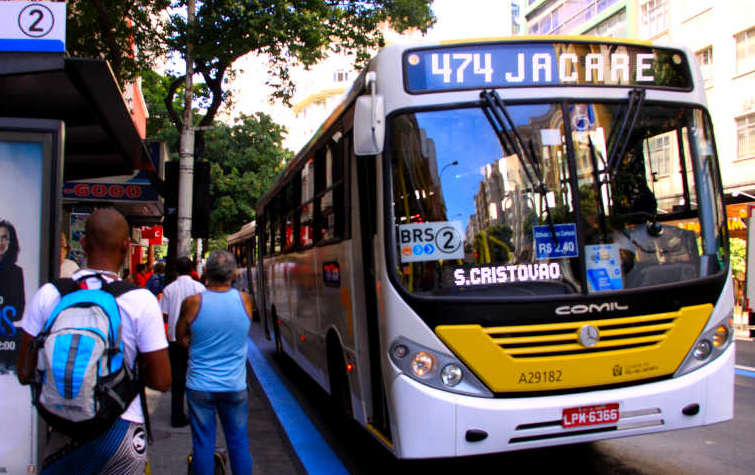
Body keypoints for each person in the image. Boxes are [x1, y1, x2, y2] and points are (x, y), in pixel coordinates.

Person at [16, 208, 171, 474]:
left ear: (84, 244)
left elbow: (23, 372)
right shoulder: (140, 300)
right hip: (121, 433)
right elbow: (162, 381)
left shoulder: (50, 294)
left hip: (63, 430)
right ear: (126, 246)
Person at [177, 250, 253, 475]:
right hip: (234, 385)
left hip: (200, 386)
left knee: (203, 444)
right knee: (238, 442)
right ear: (234, 274)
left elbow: (179, 336)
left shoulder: (192, 302)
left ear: (206, 273)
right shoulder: (245, 300)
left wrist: (196, 348)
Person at [160, 256, 205, 427]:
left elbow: (163, 313)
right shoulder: (199, 287)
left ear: (176, 270)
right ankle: (198, 414)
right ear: (191, 268)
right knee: (197, 377)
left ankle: (177, 415)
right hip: (196, 339)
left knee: (178, 379)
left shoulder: (169, 289)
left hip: (174, 339)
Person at [0, 219, 24, 373]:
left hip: (6, 337)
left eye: (5, 237)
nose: (1, 242)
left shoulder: (16, 272)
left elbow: (19, 310)